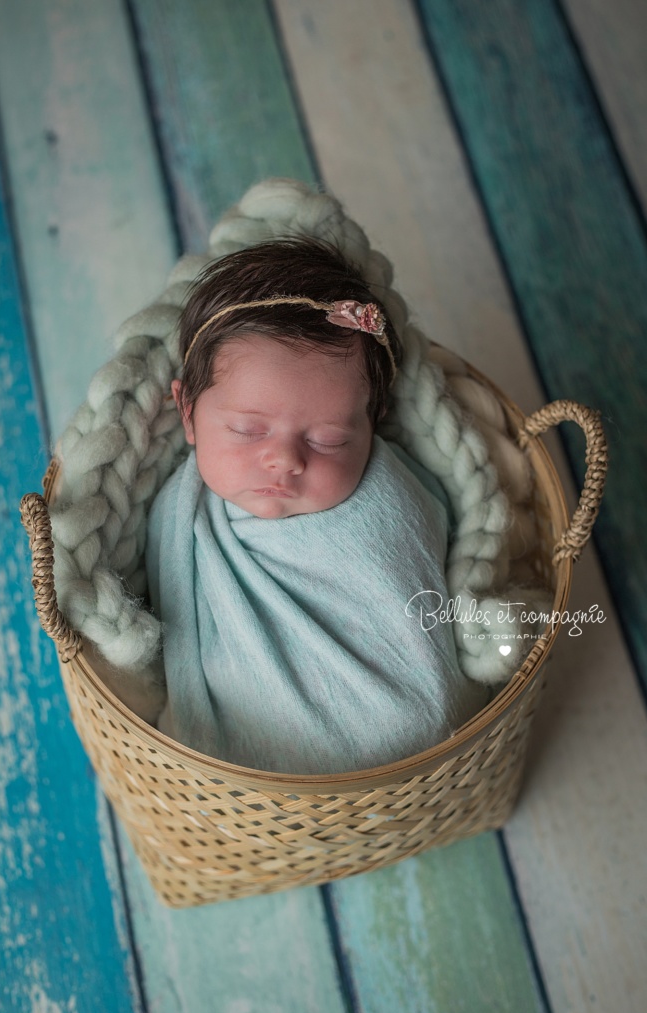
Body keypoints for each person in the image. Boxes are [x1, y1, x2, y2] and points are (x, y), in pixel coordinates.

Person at [145, 237, 486, 773]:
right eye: (246, 430)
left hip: (414, 754)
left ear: (373, 426)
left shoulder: (388, 495)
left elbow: (420, 588)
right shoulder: (176, 514)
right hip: (248, 773)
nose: (284, 459)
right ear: (187, 411)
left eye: (328, 439)